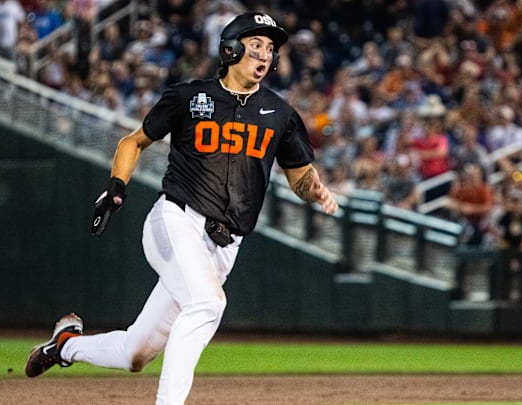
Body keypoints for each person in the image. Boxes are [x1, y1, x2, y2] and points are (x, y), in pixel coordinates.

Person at [24, 11, 339, 405]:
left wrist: (317, 191)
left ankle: (65, 346)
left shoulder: (280, 114)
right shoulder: (189, 96)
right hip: (175, 221)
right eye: (255, 44)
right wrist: (115, 187)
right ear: (231, 47)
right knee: (207, 304)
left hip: (224, 249)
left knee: (134, 354)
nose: (264, 55)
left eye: (270, 49)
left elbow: (300, 177)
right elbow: (132, 142)